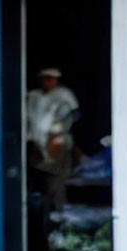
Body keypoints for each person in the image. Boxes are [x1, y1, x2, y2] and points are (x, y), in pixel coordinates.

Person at [26, 68, 80, 211]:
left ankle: (59, 215)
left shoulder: (64, 95)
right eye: (45, 78)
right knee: (39, 185)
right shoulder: (34, 96)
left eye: (51, 78)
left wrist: (56, 136)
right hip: (37, 144)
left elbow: (71, 116)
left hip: (56, 143)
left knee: (57, 183)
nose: (48, 81)